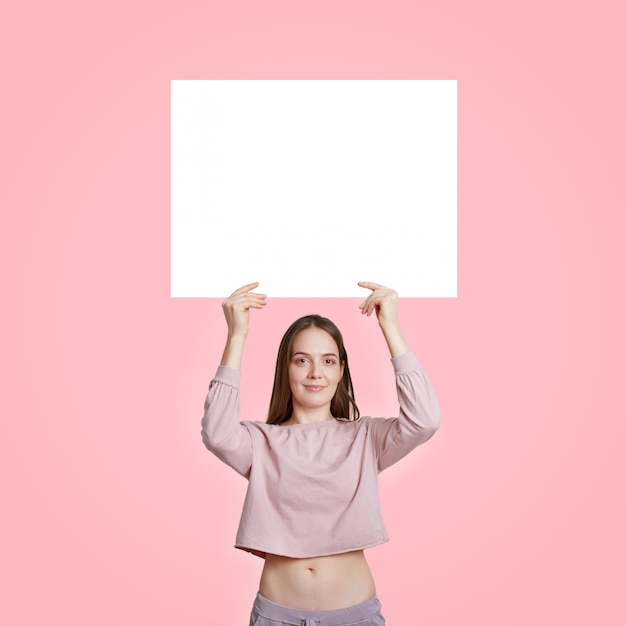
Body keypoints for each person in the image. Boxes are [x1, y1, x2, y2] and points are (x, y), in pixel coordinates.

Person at [201, 281, 441, 626]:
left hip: (354, 616)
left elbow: (425, 420)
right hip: (276, 616)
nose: (316, 373)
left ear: (341, 370)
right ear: (286, 369)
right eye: (302, 360)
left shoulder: (366, 437)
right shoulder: (260, 442)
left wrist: (390, 326)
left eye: (328, 360)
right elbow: (216, 432)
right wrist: (236, 336)